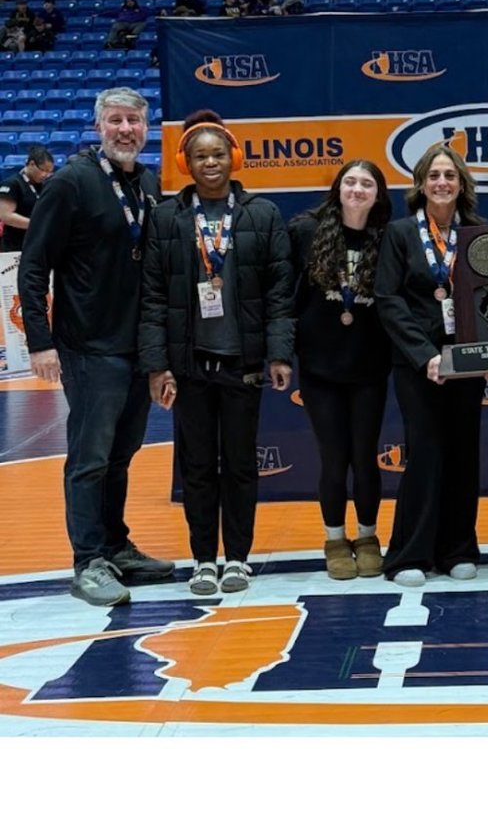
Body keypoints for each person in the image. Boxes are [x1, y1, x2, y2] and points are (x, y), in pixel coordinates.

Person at [17, 87, 175, 606]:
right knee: (89, 458)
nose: (125, 129)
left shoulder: (148, 183)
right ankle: (87, 562)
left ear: (145, 127)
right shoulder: (71, 182)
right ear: (98, 127)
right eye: (115, 121)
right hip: (88, 347)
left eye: (133, 120)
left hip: (136, 348)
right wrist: (40, 343)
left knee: (121, 456)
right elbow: (34, 265)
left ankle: (116, 546)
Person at [138, 110, 293, 595]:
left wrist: (279, 354)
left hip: (242, 365)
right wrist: (157, 365)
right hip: (189, 368)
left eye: (218, 154)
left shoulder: (261, 215)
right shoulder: (166, 219)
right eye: (201, 155)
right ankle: (205, 557)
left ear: (234, 159)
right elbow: (153, 299)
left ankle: (238, 559)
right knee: (199, 467)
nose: (210, 163)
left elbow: (280, 294)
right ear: (186, 163)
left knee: (242, 465)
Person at [374, 144, 485, 587]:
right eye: (434, 175)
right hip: (419, 364)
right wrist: (426, 356)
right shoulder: (400, 234)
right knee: (425, 452)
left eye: (450, 176)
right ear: (420, 184)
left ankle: (456, 548)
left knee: (464, 453)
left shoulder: (477, 233)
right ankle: (408, 556)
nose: (442, 183)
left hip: (468, 360)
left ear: (462, 185)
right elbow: (389, 298)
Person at [290, 160, 392, 580]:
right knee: (333, 459)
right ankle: (335, 539)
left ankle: (367, 537)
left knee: (365, 458)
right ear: (337, 188)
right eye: (349, 181)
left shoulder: (388, 239)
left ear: (378, 194)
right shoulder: (305, 232)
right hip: (320, 368)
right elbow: (287, 297)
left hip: (369, 367)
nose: (357, 189)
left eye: (366, 183)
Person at [0, 144, 55, 252]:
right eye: (44, 170)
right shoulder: (12, 183)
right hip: (15, 246)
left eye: (49, 172)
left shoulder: (42, 185)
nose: (46, 175)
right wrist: (37, 225)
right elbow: (6, 216)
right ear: (31, 164)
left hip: (36, 244)